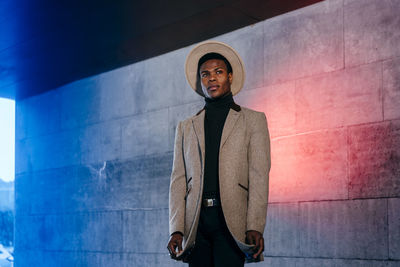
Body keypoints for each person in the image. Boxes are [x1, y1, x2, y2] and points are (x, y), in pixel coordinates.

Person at [167, 41, 271, 266]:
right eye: (205, 74)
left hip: (232, 222)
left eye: (218, 72)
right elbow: (178, 181)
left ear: (230, 77)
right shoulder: (186, 127)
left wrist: (254, 225)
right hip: (196, 225)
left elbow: (259, 176)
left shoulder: (253, 120)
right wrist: (176, 229)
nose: (211, 78)